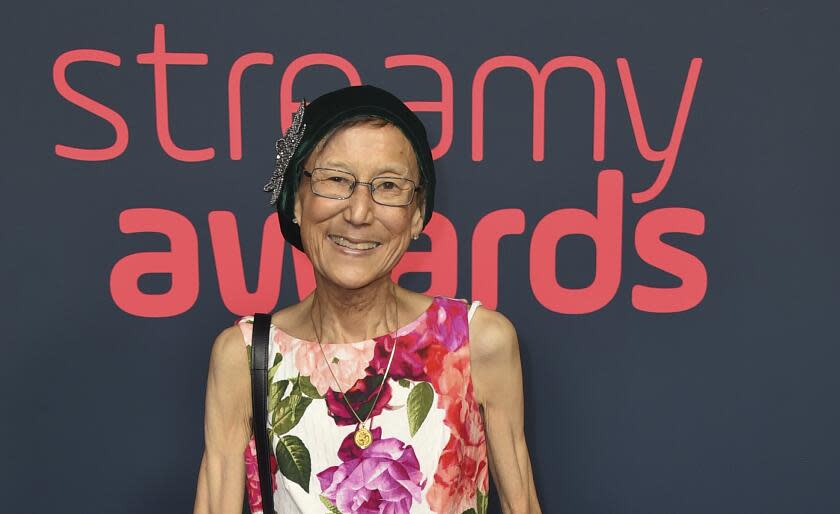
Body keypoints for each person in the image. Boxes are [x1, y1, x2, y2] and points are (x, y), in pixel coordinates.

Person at [193, 85, 542, 514]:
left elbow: (522, 504)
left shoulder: (477, 341)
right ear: (296, 202)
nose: (359, 212)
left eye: (389, 185)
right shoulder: (245, 357)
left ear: (417, 214)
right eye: (336, 180)